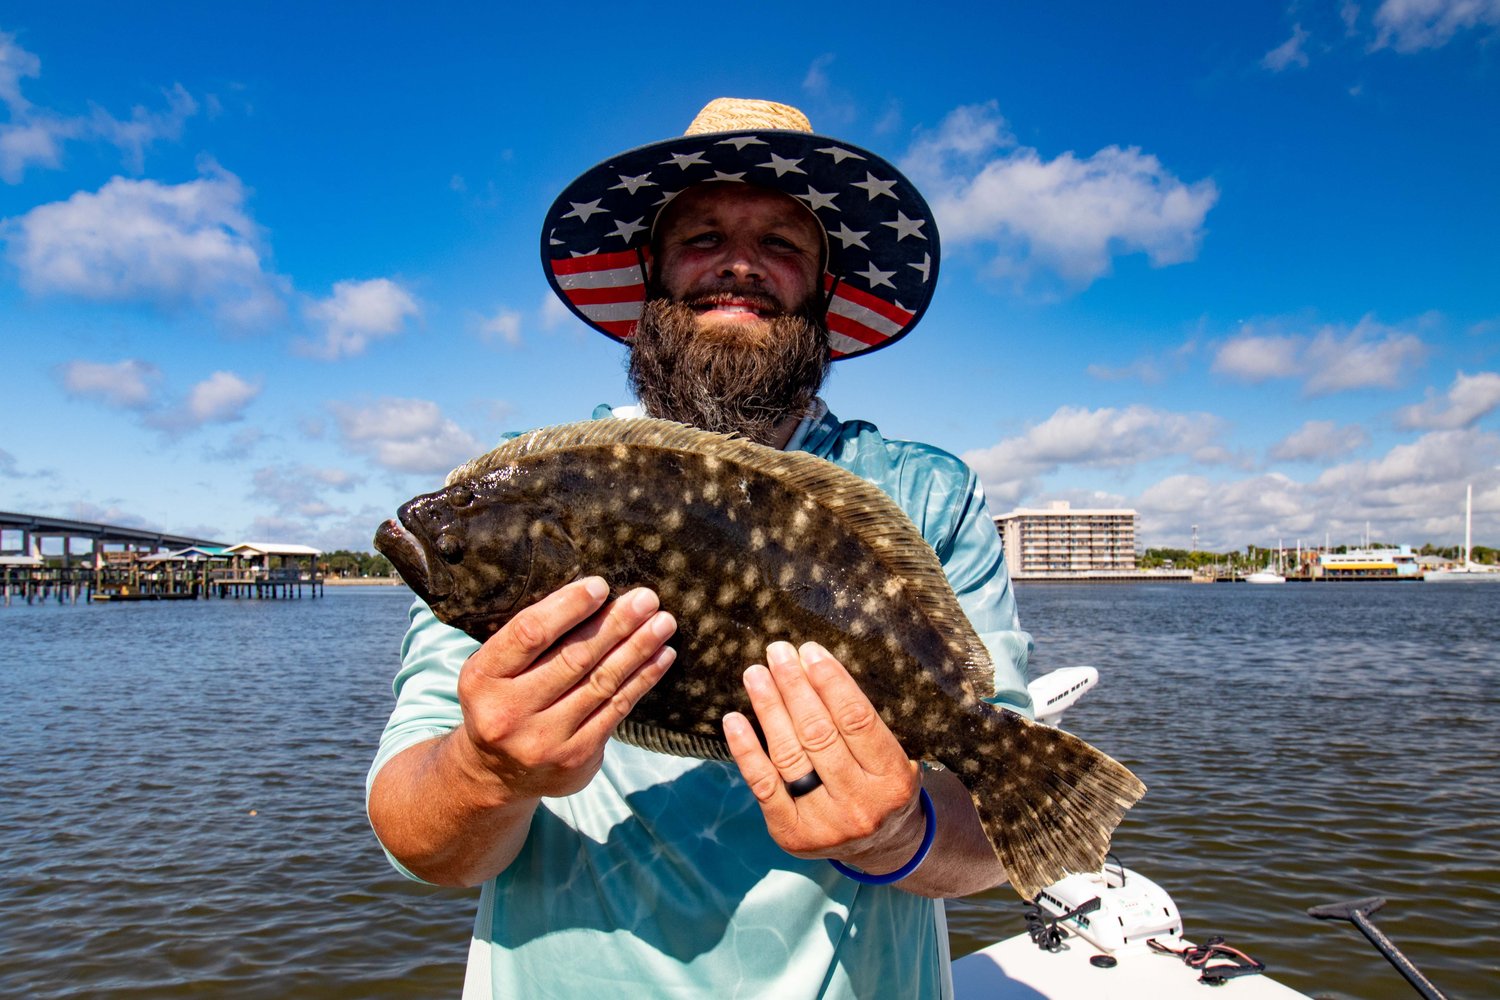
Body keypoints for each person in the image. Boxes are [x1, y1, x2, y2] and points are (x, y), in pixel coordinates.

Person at [367, 98, 1035, 999]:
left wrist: (898, 831)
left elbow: (1006, 828)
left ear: (825, 287)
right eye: (702, 237)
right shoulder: (528, 493)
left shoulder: (927, 494)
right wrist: (485, 770)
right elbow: (417, 835)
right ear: (651, 273)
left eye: (783, 244)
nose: (738, 266)